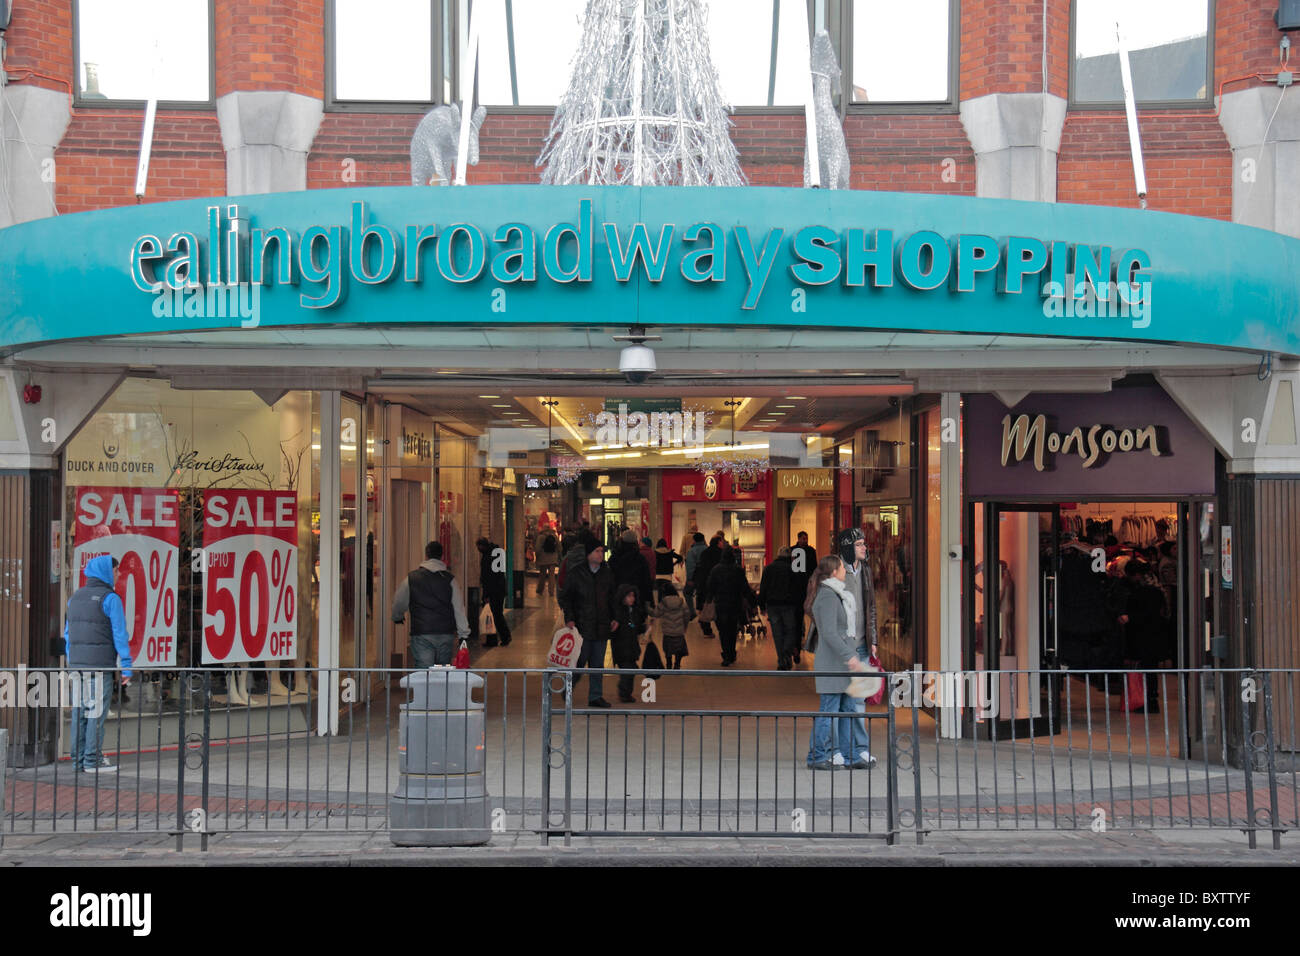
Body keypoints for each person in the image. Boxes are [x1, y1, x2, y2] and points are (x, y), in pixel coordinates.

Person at [64, 555, 132, 774]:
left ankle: (78, 760)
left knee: (79, 712)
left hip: (77, 666)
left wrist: (72, 660)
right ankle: (92, 760)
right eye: (116, 570)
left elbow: (68, 635)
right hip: (100, 666)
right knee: (96, 713)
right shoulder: (110, 599)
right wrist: (126, 666)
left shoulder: (74, 598)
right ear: (106, 572)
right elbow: (120, 635)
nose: (118, 574)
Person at [805, 555, 871, 771]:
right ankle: (817, 756)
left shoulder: (836, 594)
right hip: (833, 663)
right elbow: (829, 633)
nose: (844, 570)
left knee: (847, 708)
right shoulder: (827, 596)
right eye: (842, 567)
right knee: (829, 710)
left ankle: (850, 754)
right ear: (834, 572)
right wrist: (849, 655)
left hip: (841, 663)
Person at [392, 540, 472, 667]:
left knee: (424, 672)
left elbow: (399, 600)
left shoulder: (412, 578)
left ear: (426, 555)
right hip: (445, 633)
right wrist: (463, 634)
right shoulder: (450, 580)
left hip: (422, 633)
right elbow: (458, 608)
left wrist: (397, 616)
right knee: (443, 672)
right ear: (442, 556)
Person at [559, 539, 616, 708]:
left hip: (601, 625)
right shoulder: (577, 573)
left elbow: (612, 598)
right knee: (579, 661)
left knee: (597, 664)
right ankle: (567, 688)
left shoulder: (607, 573)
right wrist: (570, 618)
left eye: (602, 551)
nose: (600, 554)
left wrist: (615, 617)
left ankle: (595, 696)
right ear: (589, 554)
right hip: (581, 626)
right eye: (597, 551)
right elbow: (566, 598)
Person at [705, 547, 757, 667]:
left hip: (720, 604)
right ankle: (731, 653)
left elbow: (710, 586)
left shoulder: (716, 570)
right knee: (732, 629)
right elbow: (745, 588)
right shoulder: (738, 570)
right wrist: (753, 603)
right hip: (734, 604)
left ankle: (726, 654)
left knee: (723, 631)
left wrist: (708, 599)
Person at [759, 546, 802, 670]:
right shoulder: (793, 569)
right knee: (790, 631)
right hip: (788, 605)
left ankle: (782, 661)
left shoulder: (768, 568)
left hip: (772, 605)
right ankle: (785, 655)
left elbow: (763, 588)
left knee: (777, 634)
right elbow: (797, 589)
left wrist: (761, 605)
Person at [612, 583, 647, 703]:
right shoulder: (618, 612)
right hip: (622, 647)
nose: (632, 598)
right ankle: (624, 693)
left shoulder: (634, 612)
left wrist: (645, 628)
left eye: (633, 596)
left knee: (631, 670)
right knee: (627, 671)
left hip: (632, 647)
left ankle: (626, 693)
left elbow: (636, 628)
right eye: (629, 596)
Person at [476, 537, 512, 647]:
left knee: (493, 616)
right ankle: (503, 637)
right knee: (496, 615)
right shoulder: (497, 553)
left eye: (478, 547)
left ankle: (498, 638)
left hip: (493, 591)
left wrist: (486, 595)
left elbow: (488, 578)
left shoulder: (487, 557)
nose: (478, 549)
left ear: (482, 546)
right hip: (500, 590)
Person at [790, 530, 818, 663]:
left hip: (801, 589)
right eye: (803, 538)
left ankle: (799, 642)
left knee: (798, 617)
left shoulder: (798, 551)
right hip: (801, 590)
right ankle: (798, 642)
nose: (805, 541)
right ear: (798, 539)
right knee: (799, 617)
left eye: (806, 538)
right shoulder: (806, 552)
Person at [652, 581, 693, 669]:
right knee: (679, 649)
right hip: (679, 632)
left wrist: (649, 608)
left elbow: (656, 613)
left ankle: (669, 664)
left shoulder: (663, 603)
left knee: (668, 650)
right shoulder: (681, 602)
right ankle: (677, 664)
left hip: (668, 632)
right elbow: (687, 615)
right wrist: (685, 626)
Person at [609, 530, 653, 612]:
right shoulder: (640, 559)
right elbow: (646, 581)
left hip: (618, 596)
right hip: (637, 597)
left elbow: (610, 579)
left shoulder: (614, 558)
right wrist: (649, 600)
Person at [693, 534, 724, 638]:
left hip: (705, 583)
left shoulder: (705, 553)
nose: (723, 543)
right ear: (718, 542)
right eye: (721, 541)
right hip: (718, 584)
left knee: (706, 607)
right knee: (718, 608)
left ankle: (707, 630)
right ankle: (721, 630)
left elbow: (700, 567)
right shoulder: (721, 553)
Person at [534, 523, 560, 600]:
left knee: (542, 575)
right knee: (551, 576)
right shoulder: (554, 536)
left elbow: (538, 548)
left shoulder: (541, 536)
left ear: (543, 528)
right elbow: (559, 546)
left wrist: (537, 556)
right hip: (553, 558)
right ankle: (551, 591)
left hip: (543, 558)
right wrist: (558, 555)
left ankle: (540, 590)